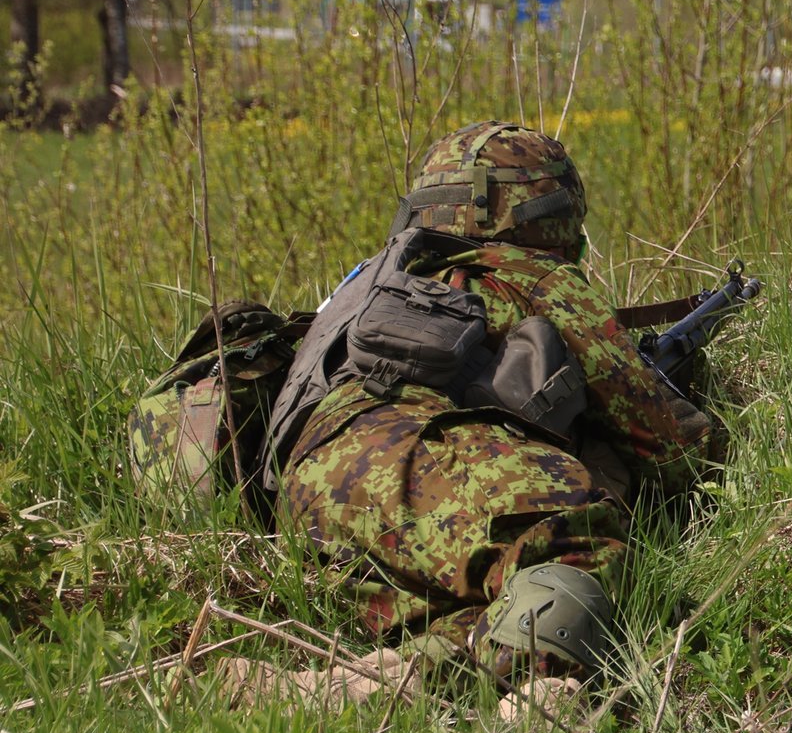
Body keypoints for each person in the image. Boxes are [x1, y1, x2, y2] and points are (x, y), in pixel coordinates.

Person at [249, 120, 715, 701]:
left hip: (309, 496)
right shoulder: (533, 274)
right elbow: (673, 449)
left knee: (493, 602)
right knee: (575, 543)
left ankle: (349, 690)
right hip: (407, 451)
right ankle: (541, 707)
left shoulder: (376, 279)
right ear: (549, 212)